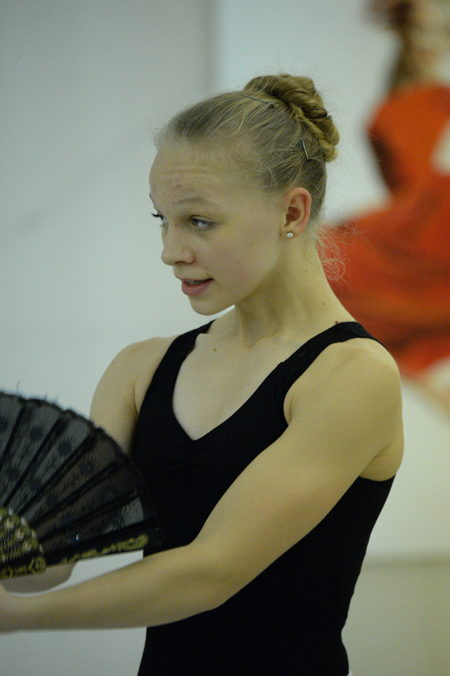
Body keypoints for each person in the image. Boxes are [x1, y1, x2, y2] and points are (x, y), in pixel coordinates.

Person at [0, 73, 403, 675]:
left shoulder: (352, 374)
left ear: (292, 211)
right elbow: (48, 556)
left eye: (200, 221)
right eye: (162, 219)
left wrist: (15, 616)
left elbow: (211, 571)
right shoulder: (140, 369)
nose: (170, 250)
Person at [329, 0, 450, 414]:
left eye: (443, 31)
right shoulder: (391, 112)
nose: (429, 42)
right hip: (414, 241)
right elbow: (410, 193)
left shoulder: (434, 105)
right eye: (421, 28)